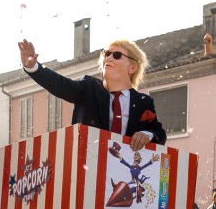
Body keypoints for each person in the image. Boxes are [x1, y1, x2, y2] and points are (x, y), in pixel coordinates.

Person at [18, 38, 166, 150]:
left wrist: (147, 135)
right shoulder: (88, 87)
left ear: (132, 67)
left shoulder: (143, 102)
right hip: (88, 169)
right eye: (106, 54)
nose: (108, 58)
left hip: (125, 173)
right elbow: (60, 85)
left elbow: (159, 133)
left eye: (117, 55)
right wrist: (33, 68)